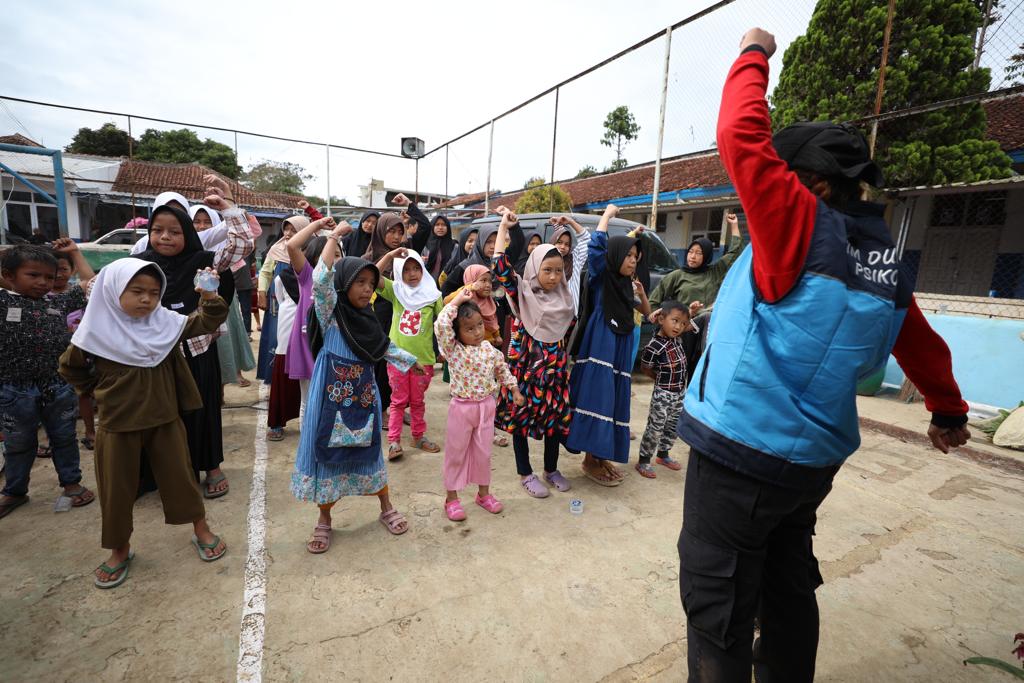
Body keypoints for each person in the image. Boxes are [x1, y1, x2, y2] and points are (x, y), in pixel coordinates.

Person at [675, 29, 970, 682]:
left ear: (811, 182)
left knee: (717, 603)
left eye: (784, 174)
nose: (766, 188)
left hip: (741, 453)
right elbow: (921, 343)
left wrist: (753, 52)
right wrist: (947, 411)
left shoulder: (797, 225)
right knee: (786, 588)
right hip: (809, 464)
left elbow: (739, 136)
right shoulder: (883, 262)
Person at [59, 259, 229, 588]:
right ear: (112, 292)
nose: (146, 299)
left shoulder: (164, 324)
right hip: (117, 424)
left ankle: (201, 529)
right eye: (136, 291)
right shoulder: (94, 333)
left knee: (182, 478)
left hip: (165, 419)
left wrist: (209, 295)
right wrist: (94, 389)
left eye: (154, 292)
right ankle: (119, 550)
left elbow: (206, 322)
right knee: (117, 491)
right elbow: (70, 367)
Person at [290, 229, 421, 554]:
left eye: (370, 283)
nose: (366, 289)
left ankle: (386, 507)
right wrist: (333, 238)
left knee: (370, 450)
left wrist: (411, 361)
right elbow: (321, 280)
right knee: (327, 456)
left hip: (363, 394)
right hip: (328, 396)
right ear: (344, 284)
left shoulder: (366, 319)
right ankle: (324, 520)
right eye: (359, 283)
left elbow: (384, 346)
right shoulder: (329, 312)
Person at [136, 176, 254, 498]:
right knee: (161, 416)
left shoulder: (204, 261)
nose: (165, 237)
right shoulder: (139, 264)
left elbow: (242, 244)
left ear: (187, 233)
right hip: (155, 357)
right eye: (158, 230)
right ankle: (163, 472)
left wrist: (227, 206)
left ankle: (211, 466)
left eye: (174, 231)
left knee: (203, 411)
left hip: (197, 351)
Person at [0, 243, 96, 519]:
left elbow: (89, 282)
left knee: (64, 437)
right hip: (13, 389)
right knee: (18, 443)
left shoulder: (58, 302)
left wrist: (75, 252)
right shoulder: (4, 301)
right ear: (9, 275)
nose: (43, 282)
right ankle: (15, 490)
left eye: (49, 277)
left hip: (57, 385)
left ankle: (71, 483)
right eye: (33, 275)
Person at [491, 211, 577, 498]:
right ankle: (525, 473)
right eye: (547, 270)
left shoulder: (565, 299)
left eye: (557, 270)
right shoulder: (521, 294)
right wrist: (504, 227)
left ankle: (551, 470)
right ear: (535, 269)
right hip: (526, 375)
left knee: (554, 424)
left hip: (554, 375)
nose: (553, 277)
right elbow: (500, 266)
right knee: (521, 424)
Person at [566, 203, 651, 485]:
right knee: (598, 396)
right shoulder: (603, 277)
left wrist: (634, 233)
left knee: (613, 398)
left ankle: (601, 456)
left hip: (620, 346)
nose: (632, 261)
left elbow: (643, 311)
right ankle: (590, 460)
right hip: (601, 344)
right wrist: (606, 216)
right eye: (627, 256)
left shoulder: (626, 285)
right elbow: (598, 247)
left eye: (636, 257)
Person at [434, 290, 524, 521]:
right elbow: (442, 324)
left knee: (483, 453)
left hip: (486, 407)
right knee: (456, 454)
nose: (476, 332)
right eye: (469, 328)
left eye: (478, 326)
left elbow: (502, 369)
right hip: (462, 409)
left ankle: (483, 494)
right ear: (457, 333)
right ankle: (451, 498)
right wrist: (456, 301)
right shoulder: (453, 350)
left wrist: (513, 388)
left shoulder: (489, 350)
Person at [374, 248, 444, 459]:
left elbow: (443, 325)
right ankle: (394, 442)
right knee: (397, 401)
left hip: (424, 361)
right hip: (397, 360)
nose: (412, 274)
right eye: (406, 270)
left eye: (416, 268)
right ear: (398, 272)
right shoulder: (396, 291)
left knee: (417, 401)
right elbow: (373, 276)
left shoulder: (433, 296)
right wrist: (388, 256)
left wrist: (443, 350)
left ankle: (417, 436)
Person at [284, 215, 349, 422]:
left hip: (332, 347)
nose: (332, 257)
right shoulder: (307, 275)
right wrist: (320, 225)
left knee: (332, 399)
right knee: (308, 400)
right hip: (305, 344)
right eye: (328, 253)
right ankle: (308, 447)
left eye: (337, 254)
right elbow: (293, 245)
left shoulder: (344, 282)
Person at [635, 300, 694, 479]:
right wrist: (658, 379)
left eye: (682, 323)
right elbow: (646, 367)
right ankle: (644, 460)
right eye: (674, 320)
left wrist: (689, 313)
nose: (678, 326)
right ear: (661, 319)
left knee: (673, 425)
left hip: (679, 393)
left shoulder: (677, 338)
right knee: (656, 427)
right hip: (663, 393)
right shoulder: (654, 345)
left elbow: (692, 324)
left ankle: (663, 455)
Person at [647, 211, 744, 316]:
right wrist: (664, 321)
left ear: (707, 256)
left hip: (709, 325)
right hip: (683, 326)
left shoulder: (715, 271)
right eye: (690, 251)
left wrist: (734, 225)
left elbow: (735, 253)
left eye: (699, 253)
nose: (693, 256)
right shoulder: (677, 276)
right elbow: (653, 302)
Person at [257, 215, 309, 383]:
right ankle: (274, 379)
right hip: (277, 303)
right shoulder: (276, 249)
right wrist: (261, 293)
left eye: (294, 230)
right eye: (286, 229)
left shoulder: (310, 250)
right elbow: (265, 272)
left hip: (300, 302)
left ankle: (294, 378)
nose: (288, 233)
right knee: (275, 337)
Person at [443, 265, 502, 347]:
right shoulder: (465, 297)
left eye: (490, 281)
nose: (488, 285)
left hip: (487, 345)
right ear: (472, 280)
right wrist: (469, 288)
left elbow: (492, 321)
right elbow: (447, 301)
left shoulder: (489, 301)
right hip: (467, 348)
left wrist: (496, 335)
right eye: (483, 280)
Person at [548, 216, 591, 314]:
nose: (563, 247)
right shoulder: (544, 261)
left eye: (567, 244)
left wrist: (570, 222)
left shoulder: (575, 260)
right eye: (559, 242)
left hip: (570, 319)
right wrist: (558, 227)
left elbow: (586, 239)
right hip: (550, 318)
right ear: (552, 243)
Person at [422, 215, 457, 283]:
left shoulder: (454, 246)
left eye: (443, 225)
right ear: (432, 226)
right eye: (437, 225)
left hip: (447, 283)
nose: (440, 227)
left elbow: (455, 265)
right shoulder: (425, 245)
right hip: (427, 282)